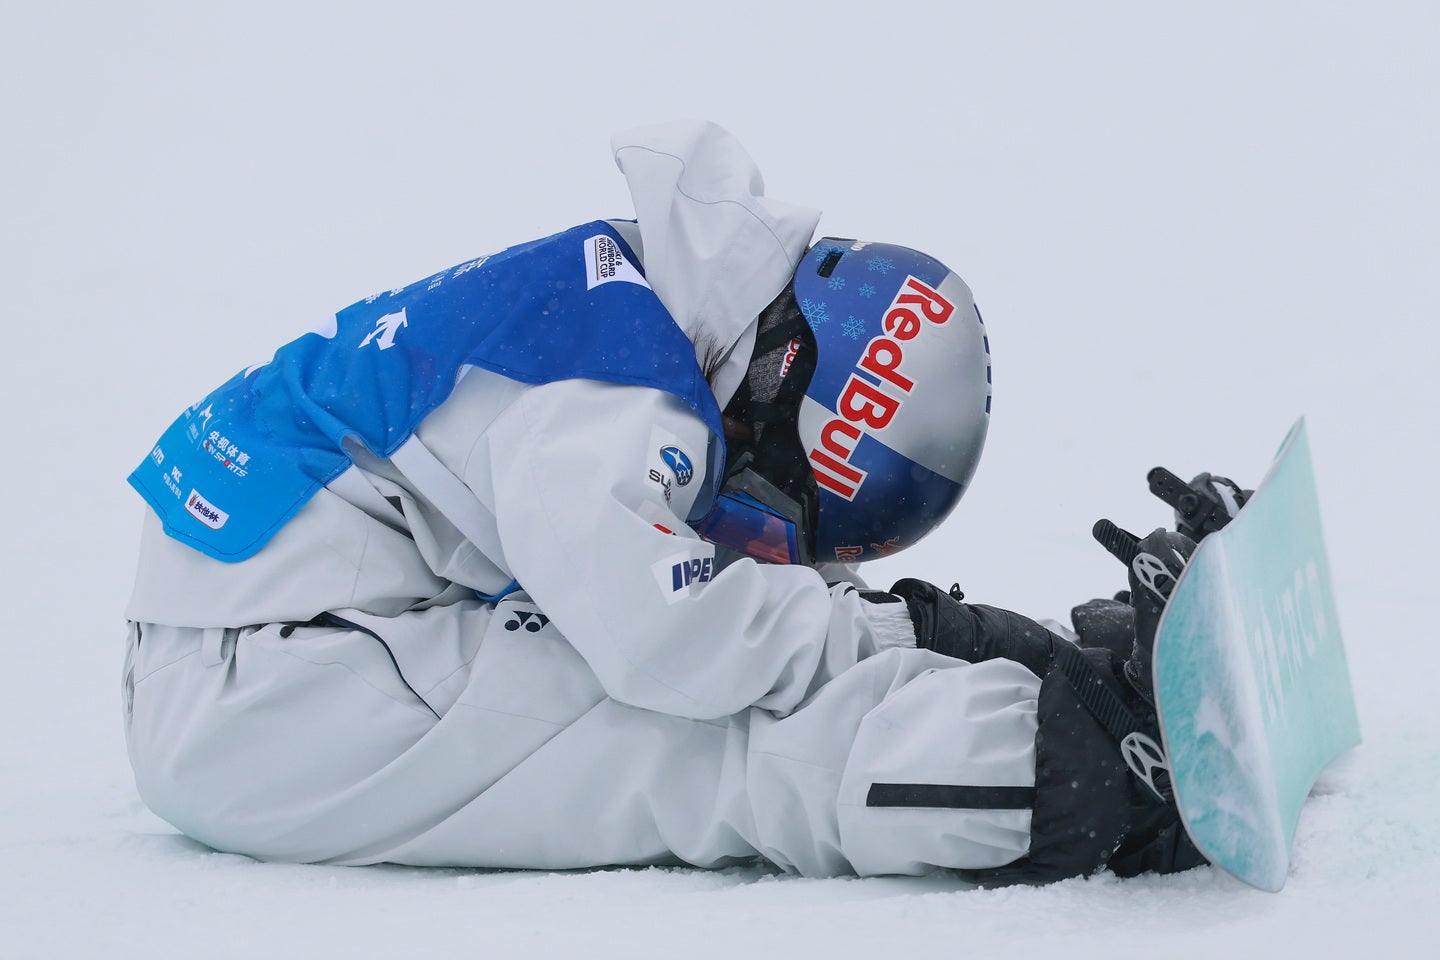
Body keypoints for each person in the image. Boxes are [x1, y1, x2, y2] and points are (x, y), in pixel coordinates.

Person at [123, 120, 1209, 883]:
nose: (777, 544)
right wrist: (926, 631)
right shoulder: (621, 384)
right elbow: (667, 638)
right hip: (267, 692)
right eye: (793, 510)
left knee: (734, 654)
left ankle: (1051, 703)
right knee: (696, 744)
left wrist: (954, 634)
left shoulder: (627, 309)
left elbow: (703, 593)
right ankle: (1062, 773)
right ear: (789, 386)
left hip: (271, 649)